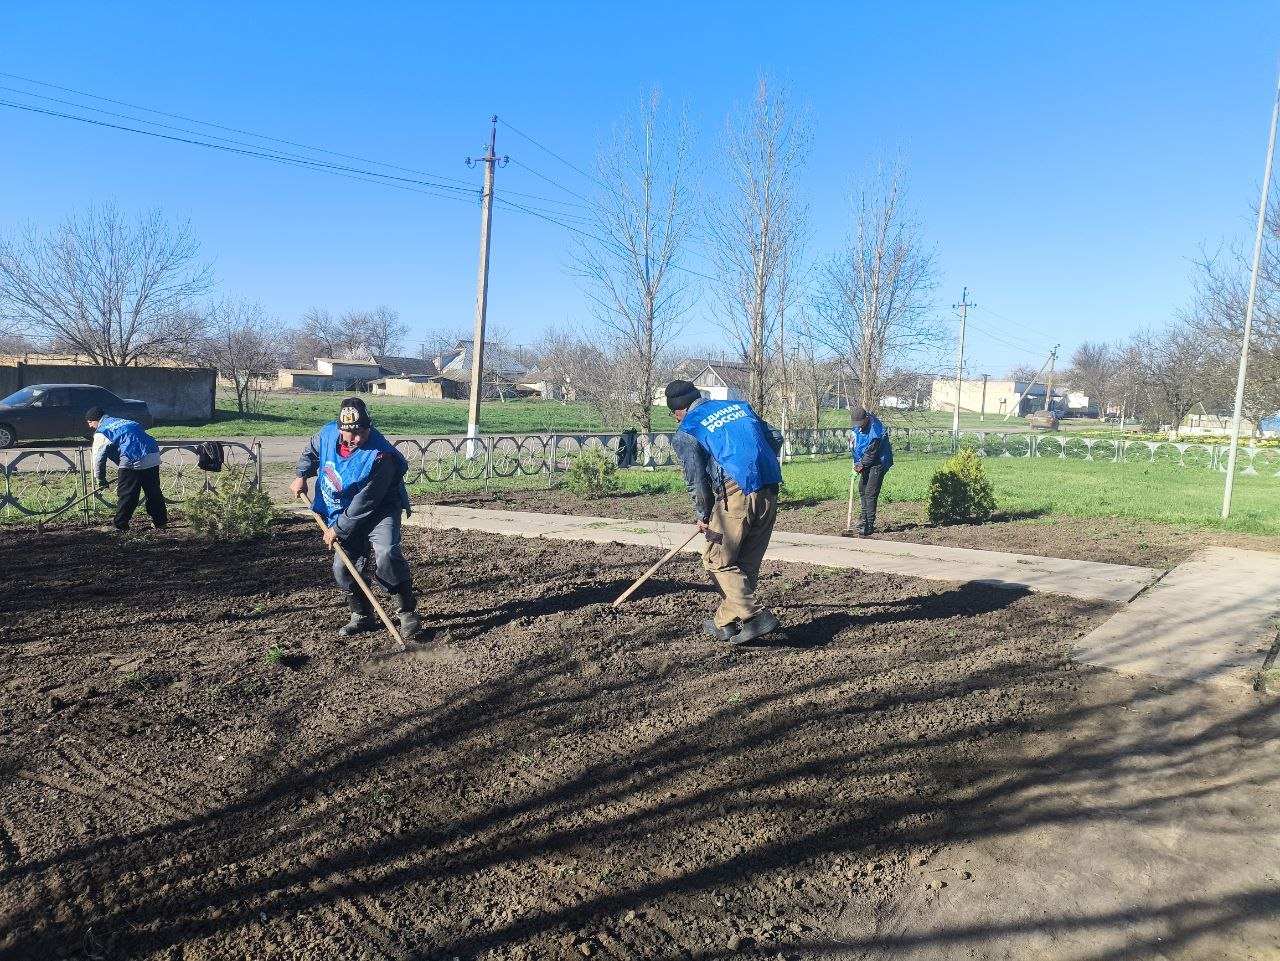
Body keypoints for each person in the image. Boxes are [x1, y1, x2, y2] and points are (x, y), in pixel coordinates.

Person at [290, 396, 420, 641]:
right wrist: (301, 475)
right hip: (343, 508)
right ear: (341, 430)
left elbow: (367, 501)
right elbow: (311, 449)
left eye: (364, 431)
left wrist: (337, 528)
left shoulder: (382, 456)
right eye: (353, 433)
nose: (359, 438)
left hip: (381, 508)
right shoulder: (327, 434)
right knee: (342, 566)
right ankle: (361, 615)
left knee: (387, 552)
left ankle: (406, 612)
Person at [667, 379, 784, 645]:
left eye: (673, 414)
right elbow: (776, 436)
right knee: (744, 563)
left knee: (716, 560)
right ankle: (726, 622)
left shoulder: (689, 428)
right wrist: (754, 464)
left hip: (736, 493)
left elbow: (696, 480)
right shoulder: (738, 407)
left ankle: (756, 617)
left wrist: (704, 515)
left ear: (679, 409)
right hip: (768, 487)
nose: (675, 420)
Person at [85, 406, 168, 533]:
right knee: (153, 492)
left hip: (133, 458)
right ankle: (160, 522)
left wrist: (100, 478)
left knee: (127, 494)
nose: (90, 426)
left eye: (90, 422)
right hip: (153, 455)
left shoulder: (103, 431)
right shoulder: (125, 422)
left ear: (95, 420)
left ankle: (120, 525)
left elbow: (98, 457)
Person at [849, 406, 893, 536]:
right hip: (864, 461)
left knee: (870, 493)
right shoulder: (858, 426)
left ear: (866, 419)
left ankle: (869, 524)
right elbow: (856, 443)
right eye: (856, 424)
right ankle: (863, 519)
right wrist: (857, 461)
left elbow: (870, 454)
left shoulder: (876, 430)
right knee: (862, 488)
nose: (858, 426)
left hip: (878, 461)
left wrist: (859, 467)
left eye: (860, 423)